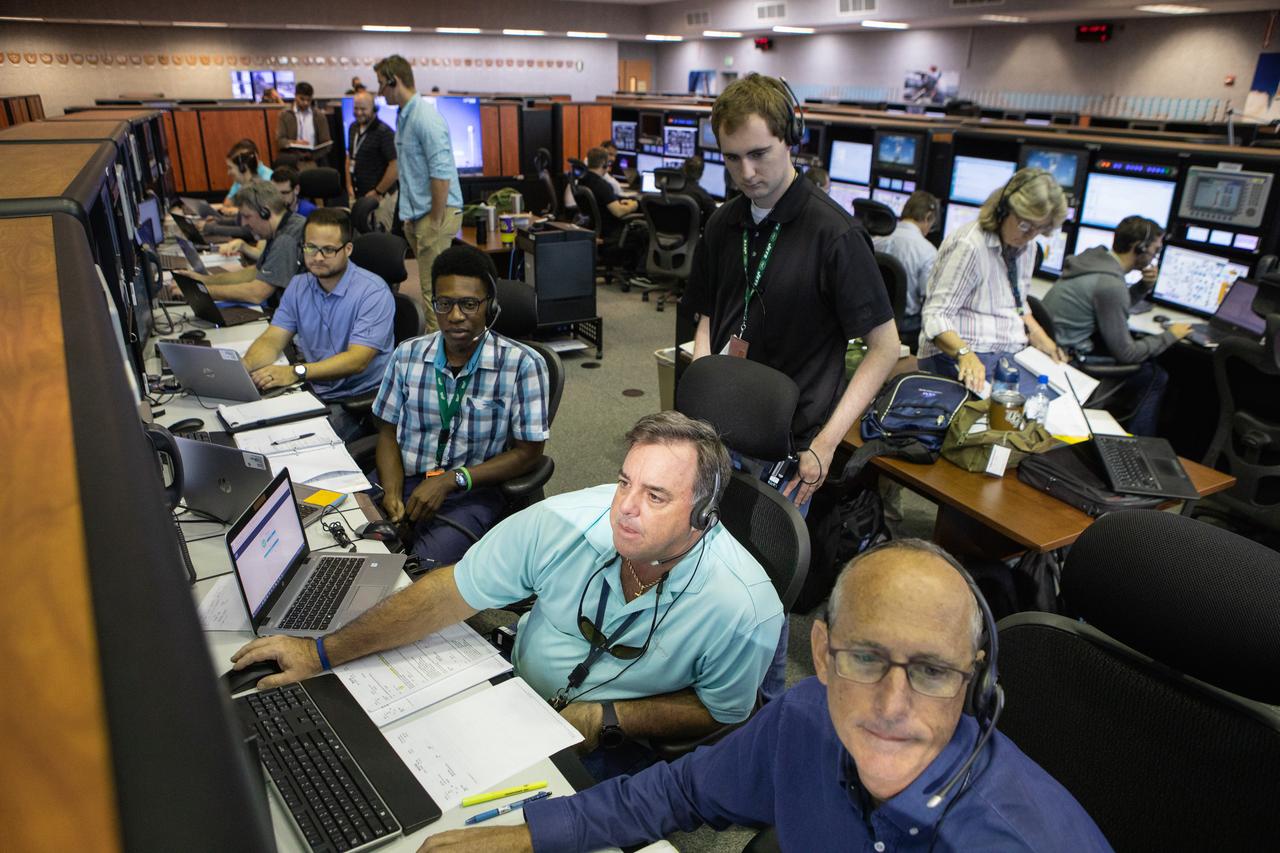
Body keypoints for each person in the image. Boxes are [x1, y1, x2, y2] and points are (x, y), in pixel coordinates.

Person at [418, 539, 1112, 853]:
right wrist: (522, 838)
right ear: (821, 653)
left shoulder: (1015, 838)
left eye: (932, 671)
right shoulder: (807, 717)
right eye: (866, 658)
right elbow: (673, 795)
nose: (893, 704)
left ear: (976, 680)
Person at [229, 411, 784, 782]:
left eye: (656, 495)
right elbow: (450, 592)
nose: (625, 508)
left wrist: (612, 717)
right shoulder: (563, 522)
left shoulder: (744, 608)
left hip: (609, 741)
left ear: (703, 515)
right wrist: (319, 653)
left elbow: (721, 711)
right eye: (624, 482)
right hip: (509, 696)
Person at [687, 73, 899, 701]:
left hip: (792, 444)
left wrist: (829, 443)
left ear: (792, 141)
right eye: (732, 158)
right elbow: (705, 316)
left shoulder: (834, 234)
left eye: (760, 153)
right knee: (704, 567)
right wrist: (701, 391)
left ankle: (765, 707)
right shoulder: (724, 224)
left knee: (760, 583)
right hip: (718, 432)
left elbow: (885, 347)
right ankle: (705, 690)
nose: (747, 172)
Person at [371, 244, 549, 568]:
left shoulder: (523, 365)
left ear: (490, 306)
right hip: (406, 476)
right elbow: (387, 430)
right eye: (445, 303)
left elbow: (529, 452)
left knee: (419, 577)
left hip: (471, 490)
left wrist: (452, 479)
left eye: (469, 304)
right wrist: (393, 492)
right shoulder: (407, 355)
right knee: (349, 544)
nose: (455, 316)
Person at [240, 208, 394, 441]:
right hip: (313, 387)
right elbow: (273, 339)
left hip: (357, 401)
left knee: (287, 442)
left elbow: (358, 360)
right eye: (311, 247)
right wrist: (244, 367)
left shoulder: (373, 292)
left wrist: (296, 372)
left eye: (329, 249)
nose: (318, 257)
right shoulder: (299, 285)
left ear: (348, 249)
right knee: (253, 427)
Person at [918, 168, 1068, 395]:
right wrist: (964, 354)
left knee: (1061, 396)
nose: (1030, 235)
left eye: (1040, 229)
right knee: (1025, 414)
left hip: (1007, 354)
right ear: (1003, 210)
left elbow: (1017, 302)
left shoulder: (1027, 249)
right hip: (962, 353)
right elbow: (936, 316)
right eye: (1025, 225)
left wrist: (1041, 337)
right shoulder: (970, 245)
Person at [1040, 216, 1189, 435]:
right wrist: (1170, 336)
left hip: (1051, 350)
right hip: (1070, 362)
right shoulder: (1110, 284)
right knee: (1155, 375)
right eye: (1155, 251)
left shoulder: (1092, 262)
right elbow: (1127, 353)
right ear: (1139, 248)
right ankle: (1140, 445)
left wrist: (1142, 287)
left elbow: (1109, 309)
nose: (1155, 257)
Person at [375, 54, 463, 332]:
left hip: (435, 213)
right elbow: (412, 172)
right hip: (419, 214)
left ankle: (439, 361)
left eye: (381, 84)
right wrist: (410, 216)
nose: (379, 91)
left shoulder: (425, 117)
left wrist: (435, 220)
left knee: (433, 293)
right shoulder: (405, 116)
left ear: (394, 81)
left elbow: (441, 173)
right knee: (431, 289)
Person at [175, 180, 306, 306]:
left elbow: (258, 292)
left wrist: (199, 291)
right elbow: (254, 273)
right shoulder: (280, 229)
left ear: (265, 212)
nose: (243, 223)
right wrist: (203, 280)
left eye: (247, 216)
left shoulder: (286, 238)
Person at [874, 190, 940, 343]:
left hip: (871, 319)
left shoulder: (877, 239)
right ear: (928, 217)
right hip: (905, 327)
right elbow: (928, 296)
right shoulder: (927, 251)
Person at [346, 89, 399, 206]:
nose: (359, 112)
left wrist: (378, 191)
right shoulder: (353, 127)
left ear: (374, 109)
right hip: (357, 194)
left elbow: (395, 166)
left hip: (380, 198)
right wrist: (348, 185)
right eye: (356, 108)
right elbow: (349, 157)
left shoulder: (384, 132)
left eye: (363, 109)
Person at [276, 81, 331, 160]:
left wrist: (313, 156)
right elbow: (280, 141)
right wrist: (295, 143)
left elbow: (326, 143)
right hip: (292, 159)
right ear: (295, 96)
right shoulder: (285, 115)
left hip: (314, 159)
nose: (305, 103)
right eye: (302, 99)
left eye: (309, 100)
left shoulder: (319, 116)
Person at [219, 139, 273, 213]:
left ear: (243, 167)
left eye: (244, 158)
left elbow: (263, 212)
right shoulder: (240, 181)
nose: (228, 172)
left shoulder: (268, 180)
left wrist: (237, 211)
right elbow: (227, 204)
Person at [681, 155, 718, 225]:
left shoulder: (667, 189)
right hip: (690, 235)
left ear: (684, 169)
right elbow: (715, 217)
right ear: (701, 174)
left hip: (660, 234)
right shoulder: (702, 195)